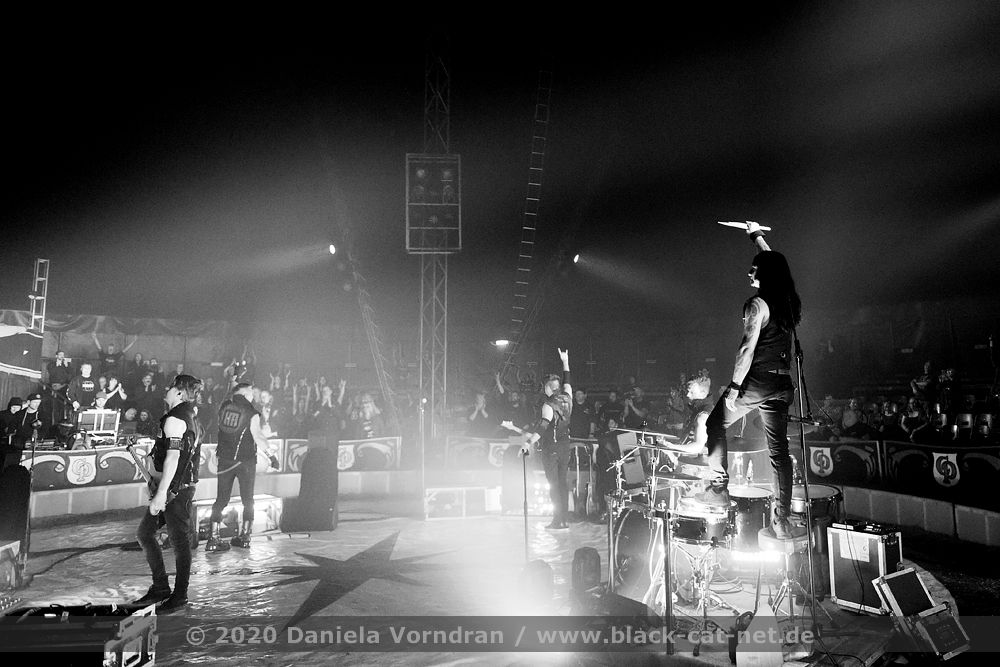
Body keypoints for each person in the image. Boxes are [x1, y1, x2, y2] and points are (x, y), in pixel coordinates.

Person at [693, 222, 804, 539]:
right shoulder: (787, 301)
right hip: (782, 385)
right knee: (779, 452)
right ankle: (782, 520)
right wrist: (757, 236)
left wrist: (734, 388)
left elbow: (746, 349)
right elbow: (776, 263)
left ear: (765, 273)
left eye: (754, 268)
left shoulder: (757, 305)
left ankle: (718, 489)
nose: (749, 272)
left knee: (715, 424)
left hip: (757, 382)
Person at [133, 374, 204, 613]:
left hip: (175, 491)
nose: (167, 389)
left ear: (180, 393)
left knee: (178, 541)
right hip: (178, 487)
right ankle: (161, 587)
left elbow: (174, 458)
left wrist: (162, 493)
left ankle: (179, 595)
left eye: (172, 387)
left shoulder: (175, 419)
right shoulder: (191, 417)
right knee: (146, 533)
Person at [206, 383, 269, 552]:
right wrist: (271, 455)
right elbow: (257, 436)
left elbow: (231, 392)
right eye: (250, 391)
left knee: (221, 499)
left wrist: (234, 379)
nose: (253, 394)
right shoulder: (251, 412)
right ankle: (245, 537)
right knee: (248, 499)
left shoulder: (225, 407)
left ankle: (213, 538)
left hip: (225, 459)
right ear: (245, 393)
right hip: (245, 461)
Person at [523, 348, 573, 530]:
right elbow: (568, 381)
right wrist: (565, 362)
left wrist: (529, 442)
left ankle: (557, 520)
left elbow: (543, 427)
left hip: (552, 448)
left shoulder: (548, 405)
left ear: (548, 388)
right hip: (565, 446)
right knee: (563, 483)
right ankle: (564, 519)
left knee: (554, 485)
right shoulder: (568, 396)